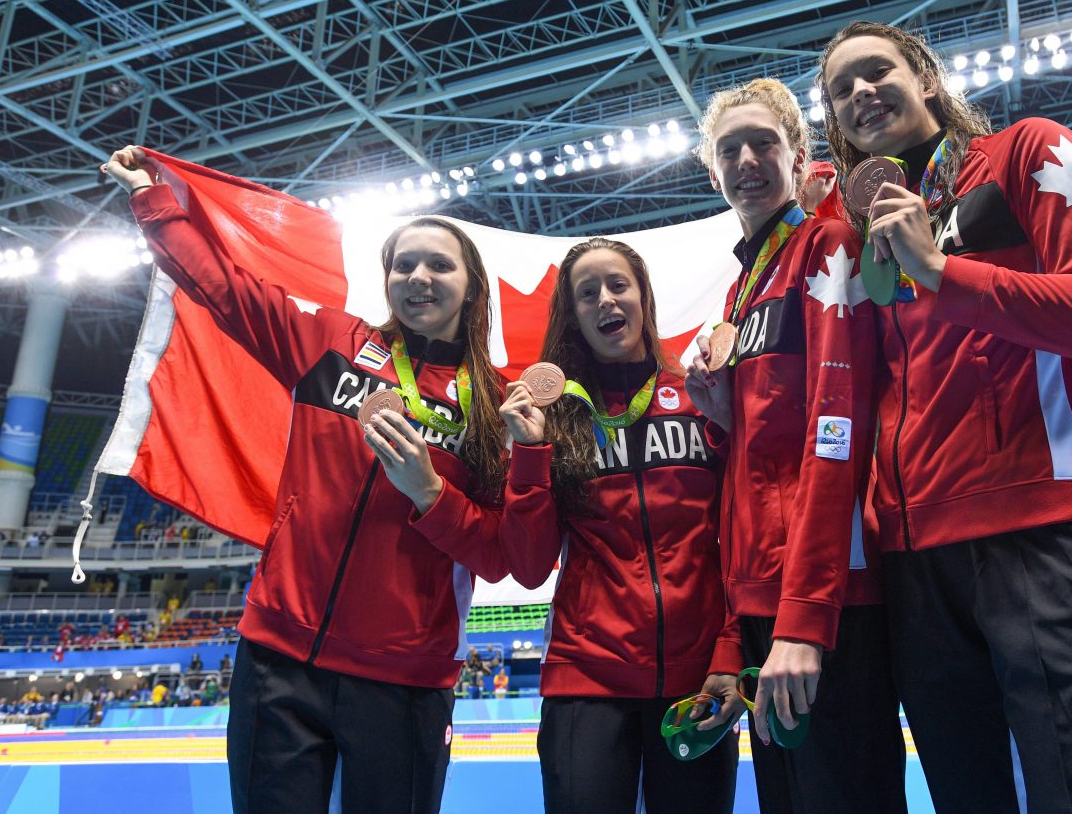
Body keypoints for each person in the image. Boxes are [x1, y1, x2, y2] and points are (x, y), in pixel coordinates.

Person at [818, 21, 1072, 812]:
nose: (859, 94)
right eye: (840, 90)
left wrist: (944, 270)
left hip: (1045, 532)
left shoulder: (1026, 154)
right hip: (918, 565)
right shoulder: (859, 239)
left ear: (926, 77)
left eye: (875, 71)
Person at [103, 145, 511, 814]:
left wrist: (429, 496)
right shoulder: (333, 345)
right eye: (404, 262)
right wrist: (155, 200)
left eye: (440, 263)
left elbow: (499, 553)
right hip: (278, 657)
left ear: (471, 286)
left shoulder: (491, 404)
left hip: (403, 675)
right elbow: (226, 291)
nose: (419, 275)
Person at [686, 79, 906, 813]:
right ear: (711, 173)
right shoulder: (742, 290)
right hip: (762, 601)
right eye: (729, 151)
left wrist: (806, 617)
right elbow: (748, 471)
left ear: (799, 154)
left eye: (764, 144)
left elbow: (834, 432)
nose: (747, 160)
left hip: (822, 600)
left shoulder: (827, 247)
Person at [496, 238, 741, 814]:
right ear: (574, 316)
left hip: (697, 681)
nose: (606, 300)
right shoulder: (554, 419)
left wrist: (729, 652)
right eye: (587, 294)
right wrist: (528, 457)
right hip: (587, 682)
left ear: (643, 299)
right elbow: (530, 568)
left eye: (618, 285)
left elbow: (737, 543)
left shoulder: (700, 398)